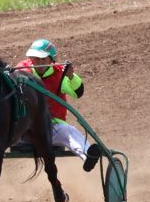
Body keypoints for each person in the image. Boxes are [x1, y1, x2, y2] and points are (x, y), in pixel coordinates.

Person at [13, 38, 102, 171]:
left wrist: (71, 76)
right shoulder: (20, 72)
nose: (39, 63)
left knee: (69, 131)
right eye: (36, 59)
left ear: (51, 60)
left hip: (51, 127)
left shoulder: (61, 73)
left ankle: (88, 155)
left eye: (43, 59)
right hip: (24, 129)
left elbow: (78, 93)